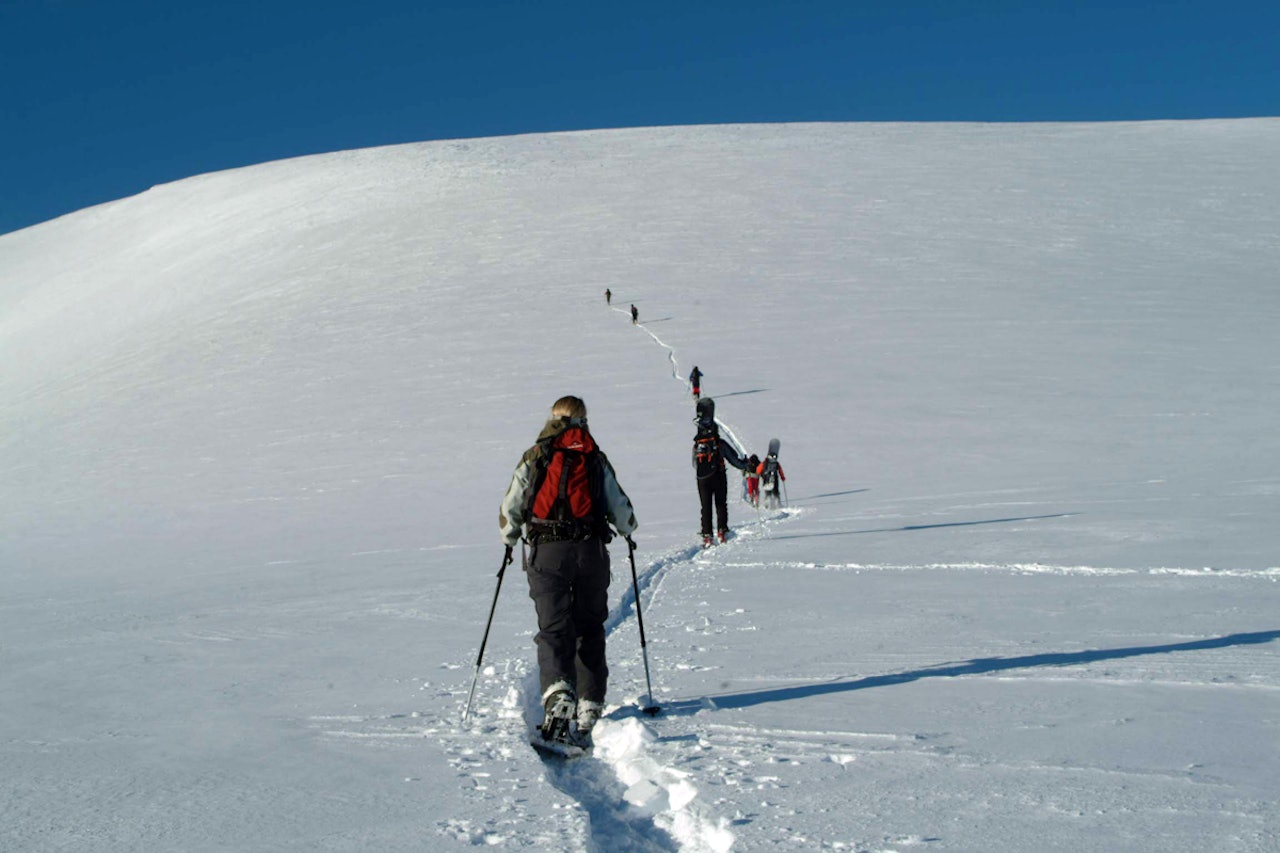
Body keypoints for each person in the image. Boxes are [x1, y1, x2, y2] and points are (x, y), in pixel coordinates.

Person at [499, 395, 638, 744]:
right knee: (589, 626)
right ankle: (590, 702)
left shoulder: (536, 455)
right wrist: (628, 530)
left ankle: (559, 693)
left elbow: (511, 506)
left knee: (554, 628)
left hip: (547, 553)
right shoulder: (594, 457)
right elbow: (620, 508)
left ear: (553, 417)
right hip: (590, 551)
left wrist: (510, 538)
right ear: (584, 419)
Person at [691, 398, 748, 546]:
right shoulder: (718, 443)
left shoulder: (697, 444)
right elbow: (733, 459)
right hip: (718, 474)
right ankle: (722, 531)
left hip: (701, 478)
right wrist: (745, 465)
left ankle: (707, 534)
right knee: (721, 503)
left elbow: (693, 463)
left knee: (705, 506)